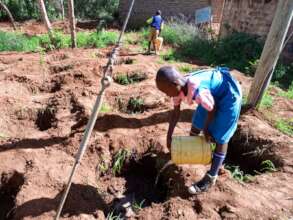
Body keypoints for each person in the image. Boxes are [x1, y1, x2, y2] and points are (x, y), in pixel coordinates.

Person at [155, 66, 242, 194]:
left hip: (228, 95)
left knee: (220, 137)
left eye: (166, 91)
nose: (167, 95)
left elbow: (212, 109)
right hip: (212, 94)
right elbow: (175, 113)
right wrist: (169, 136)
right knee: (197, 121)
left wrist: (206, 130)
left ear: (175, 84)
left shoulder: (198, 92)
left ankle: (211, 177)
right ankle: (193, 152)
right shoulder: (177, 89)